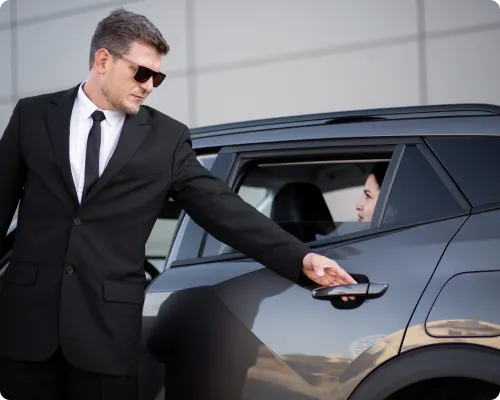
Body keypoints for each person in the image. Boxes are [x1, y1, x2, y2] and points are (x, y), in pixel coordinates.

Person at [0, 8, 356, 400]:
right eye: (141, 72)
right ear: (103, 60)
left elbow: (221, 207)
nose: (150, 85)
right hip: (24, 330)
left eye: (158, 77)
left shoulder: (166, 139)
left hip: (105, 336)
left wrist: (301, 259)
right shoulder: (33, 116)